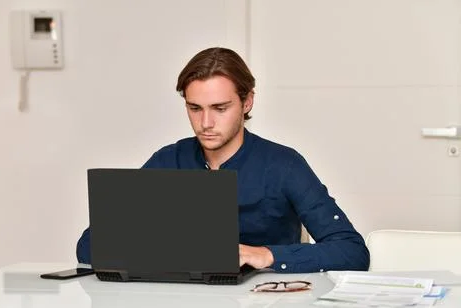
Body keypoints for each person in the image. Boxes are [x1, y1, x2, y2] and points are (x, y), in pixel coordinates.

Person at [76, 47, 370, 273]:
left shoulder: (284, 165)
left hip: (265, 304)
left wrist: (263, 255)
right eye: (194, 108)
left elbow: (352, 251)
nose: (205, 122)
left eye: (220, 108)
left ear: (247, 102)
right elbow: (90, 247)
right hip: (179, 304)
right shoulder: (168, 160)